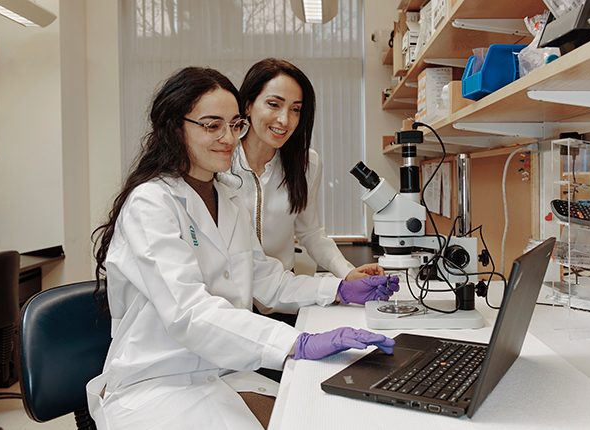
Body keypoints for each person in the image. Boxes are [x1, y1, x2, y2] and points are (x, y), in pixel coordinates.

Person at [87, 66, 399, 430]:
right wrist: (296, 342)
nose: (228, 138)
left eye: (234, 125)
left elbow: (268, 280)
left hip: (219, 370)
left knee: (323, 411)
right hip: (158, 379)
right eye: (211, 125)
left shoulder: (227, 197)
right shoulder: (151, 203)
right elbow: (189, 312)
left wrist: (340, 287)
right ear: (175, 127)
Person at [219, 58, 379, 281]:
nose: (285, 120)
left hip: (282, 291)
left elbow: (310, 232)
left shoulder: (306, 164)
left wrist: (347, 271)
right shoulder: (219, 160)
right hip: (230, 295)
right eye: (274, 104)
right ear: (248, 104)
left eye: (296, 109)